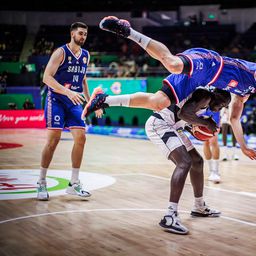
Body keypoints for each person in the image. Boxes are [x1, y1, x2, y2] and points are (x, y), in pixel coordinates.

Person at [82, 16, 256, 160]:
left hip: (202, 82)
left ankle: (104, 100)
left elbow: (234, 119)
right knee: (173, 64)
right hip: (211, 64)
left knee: (158, 103)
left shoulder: (245, 93)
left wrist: (243, 146)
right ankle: (129, 31)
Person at [145, 87, 231, 235]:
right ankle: (170, 215)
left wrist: (194, 128)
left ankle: (199, 206)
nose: (219, 109)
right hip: (160, 125)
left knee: (197, 161)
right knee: (184, 163)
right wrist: (206, 124)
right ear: (216, 96)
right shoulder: (205, 97)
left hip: (173, 127)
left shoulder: (204, 104)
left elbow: (182, 118)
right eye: (221, 105)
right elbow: (183, 113)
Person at [37, 22, 103, 200]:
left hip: (74, 101)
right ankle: (41, 182)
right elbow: (46, 78)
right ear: (72, 33)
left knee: (81, 138)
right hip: (56, 99)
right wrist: (67, 92)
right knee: (53, 141)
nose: (83, 37)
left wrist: (91, 102)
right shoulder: (60, 52)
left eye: (85, 34)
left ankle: (74, 183)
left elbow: (83, 79)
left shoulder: (86, 55)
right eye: (80, 33)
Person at [202, 110, 221, 183]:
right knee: (206, 141)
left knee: (214, 141)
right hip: (201, 110)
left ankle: (216, 171)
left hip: (214, 109)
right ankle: (211, 171)